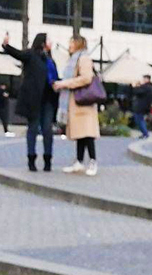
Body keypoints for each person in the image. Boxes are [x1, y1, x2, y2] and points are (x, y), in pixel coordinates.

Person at [2, 32, 58, 172]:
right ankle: (31, 158)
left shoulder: (50, 60)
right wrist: (6, 45)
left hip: (48, 100)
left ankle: (47, 159)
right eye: (49, 39)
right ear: (42, 42)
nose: (51, 42)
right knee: (33, 128)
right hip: (34, 100)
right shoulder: (31, 55)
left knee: (47, 130)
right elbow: (18, 54)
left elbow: (54, 77)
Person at [53, 35, 99, 176]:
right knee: (80, 133)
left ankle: (92, 161)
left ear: (78, 44)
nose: (69, 45)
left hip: (83, 101)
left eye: (71, 42)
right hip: (76, 101)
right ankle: (79, 161)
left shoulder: (84, 58)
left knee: (87, 133)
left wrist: (64, 83)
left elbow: (86, 78)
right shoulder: (74, 59)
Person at [131, 74, 152, 139]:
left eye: (144, 79)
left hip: (141, 106)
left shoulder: (146, 87)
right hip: (145, 106)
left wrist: (135, 86)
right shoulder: (151, 87)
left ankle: (145, 133)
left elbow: (137, 92)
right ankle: (144, 133)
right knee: (140, 119)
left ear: (147, 79)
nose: (143, 80)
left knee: (139, 120)